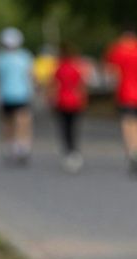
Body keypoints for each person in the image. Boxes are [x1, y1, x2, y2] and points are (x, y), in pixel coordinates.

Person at [104, 27, 137, 177]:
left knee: (129, 123)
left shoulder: (117, 50)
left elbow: (111, 73)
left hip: (125, 92)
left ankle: (134, 152)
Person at [0, 27, 35, 166]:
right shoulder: (25, 56)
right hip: (21, 94)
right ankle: (21, 146)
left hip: (6, 95)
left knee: (8, 123)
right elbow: (30, 75)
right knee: (23, 122)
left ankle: (11, 147)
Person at [50, 43, 88, 174]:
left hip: (62, 101)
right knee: (74, 127)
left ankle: (68, 151)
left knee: (64, 128)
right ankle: (74, 151)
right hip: (76, 101)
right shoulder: (77, 67)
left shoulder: (59, 68)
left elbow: (54, 85)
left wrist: (51, 99)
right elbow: (82, 85)